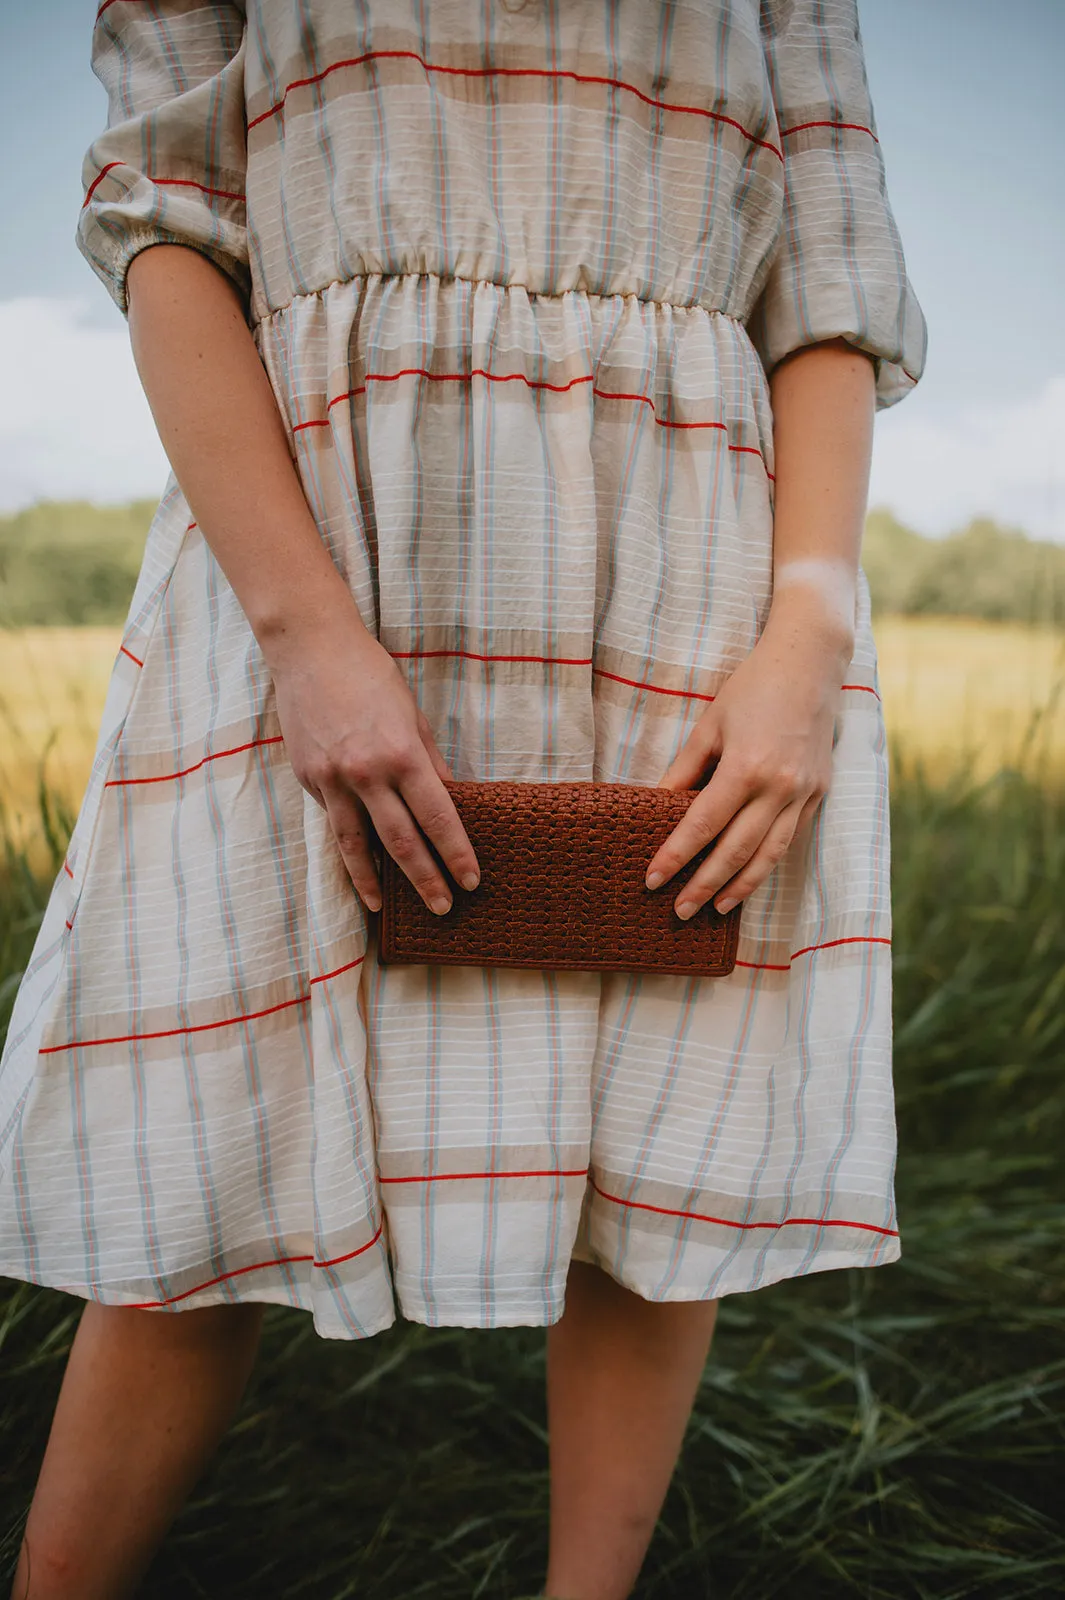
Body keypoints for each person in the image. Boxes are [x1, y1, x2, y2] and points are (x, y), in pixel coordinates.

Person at [1, 1, 926, 1596]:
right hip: (322, 524)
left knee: (655, 1122)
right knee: (217, 1105)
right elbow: (166, 224)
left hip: (684, 542)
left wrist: (809, 635)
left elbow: (830, 283)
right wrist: (303, 632)